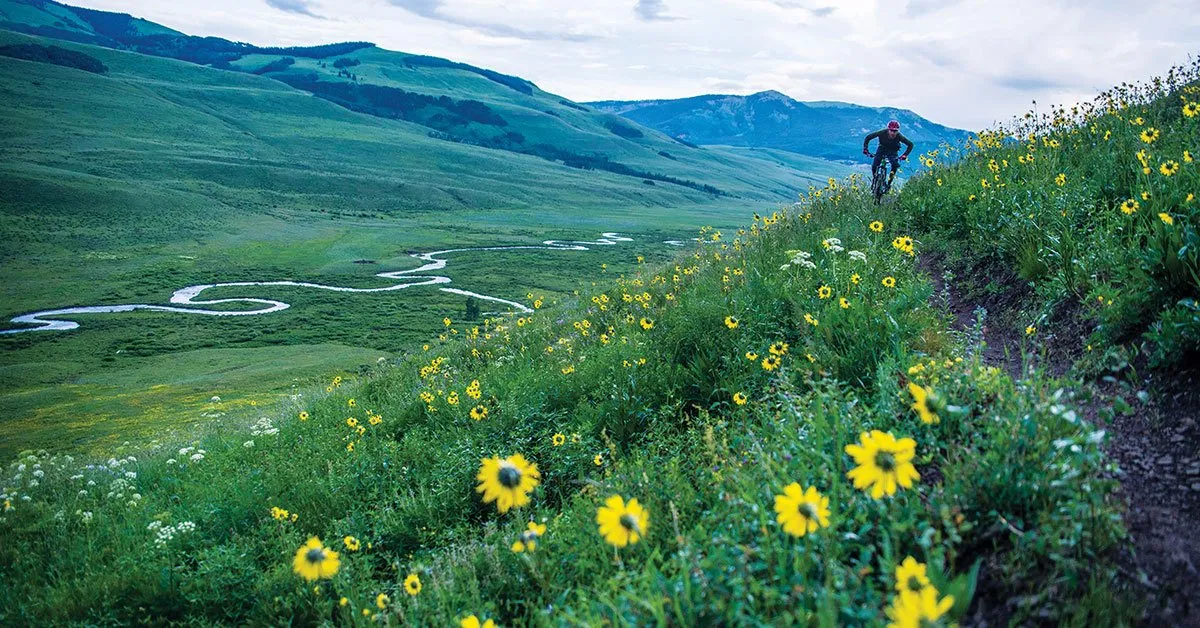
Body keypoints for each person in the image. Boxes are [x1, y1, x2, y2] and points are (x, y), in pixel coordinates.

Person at [862, 120, 914, 186]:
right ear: (888, 129)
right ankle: (875, 179)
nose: (893, 133)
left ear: (898, 131)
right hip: (882, 148)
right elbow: (868, 137)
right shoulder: (882, 132)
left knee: (895, 165)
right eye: (891, 130)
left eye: (895, 131)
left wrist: (905, 155)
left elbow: (910, 144)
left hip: (893, 150)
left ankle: (889, 183)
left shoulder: (899, 136)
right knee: (875, 165)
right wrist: (865, 148)